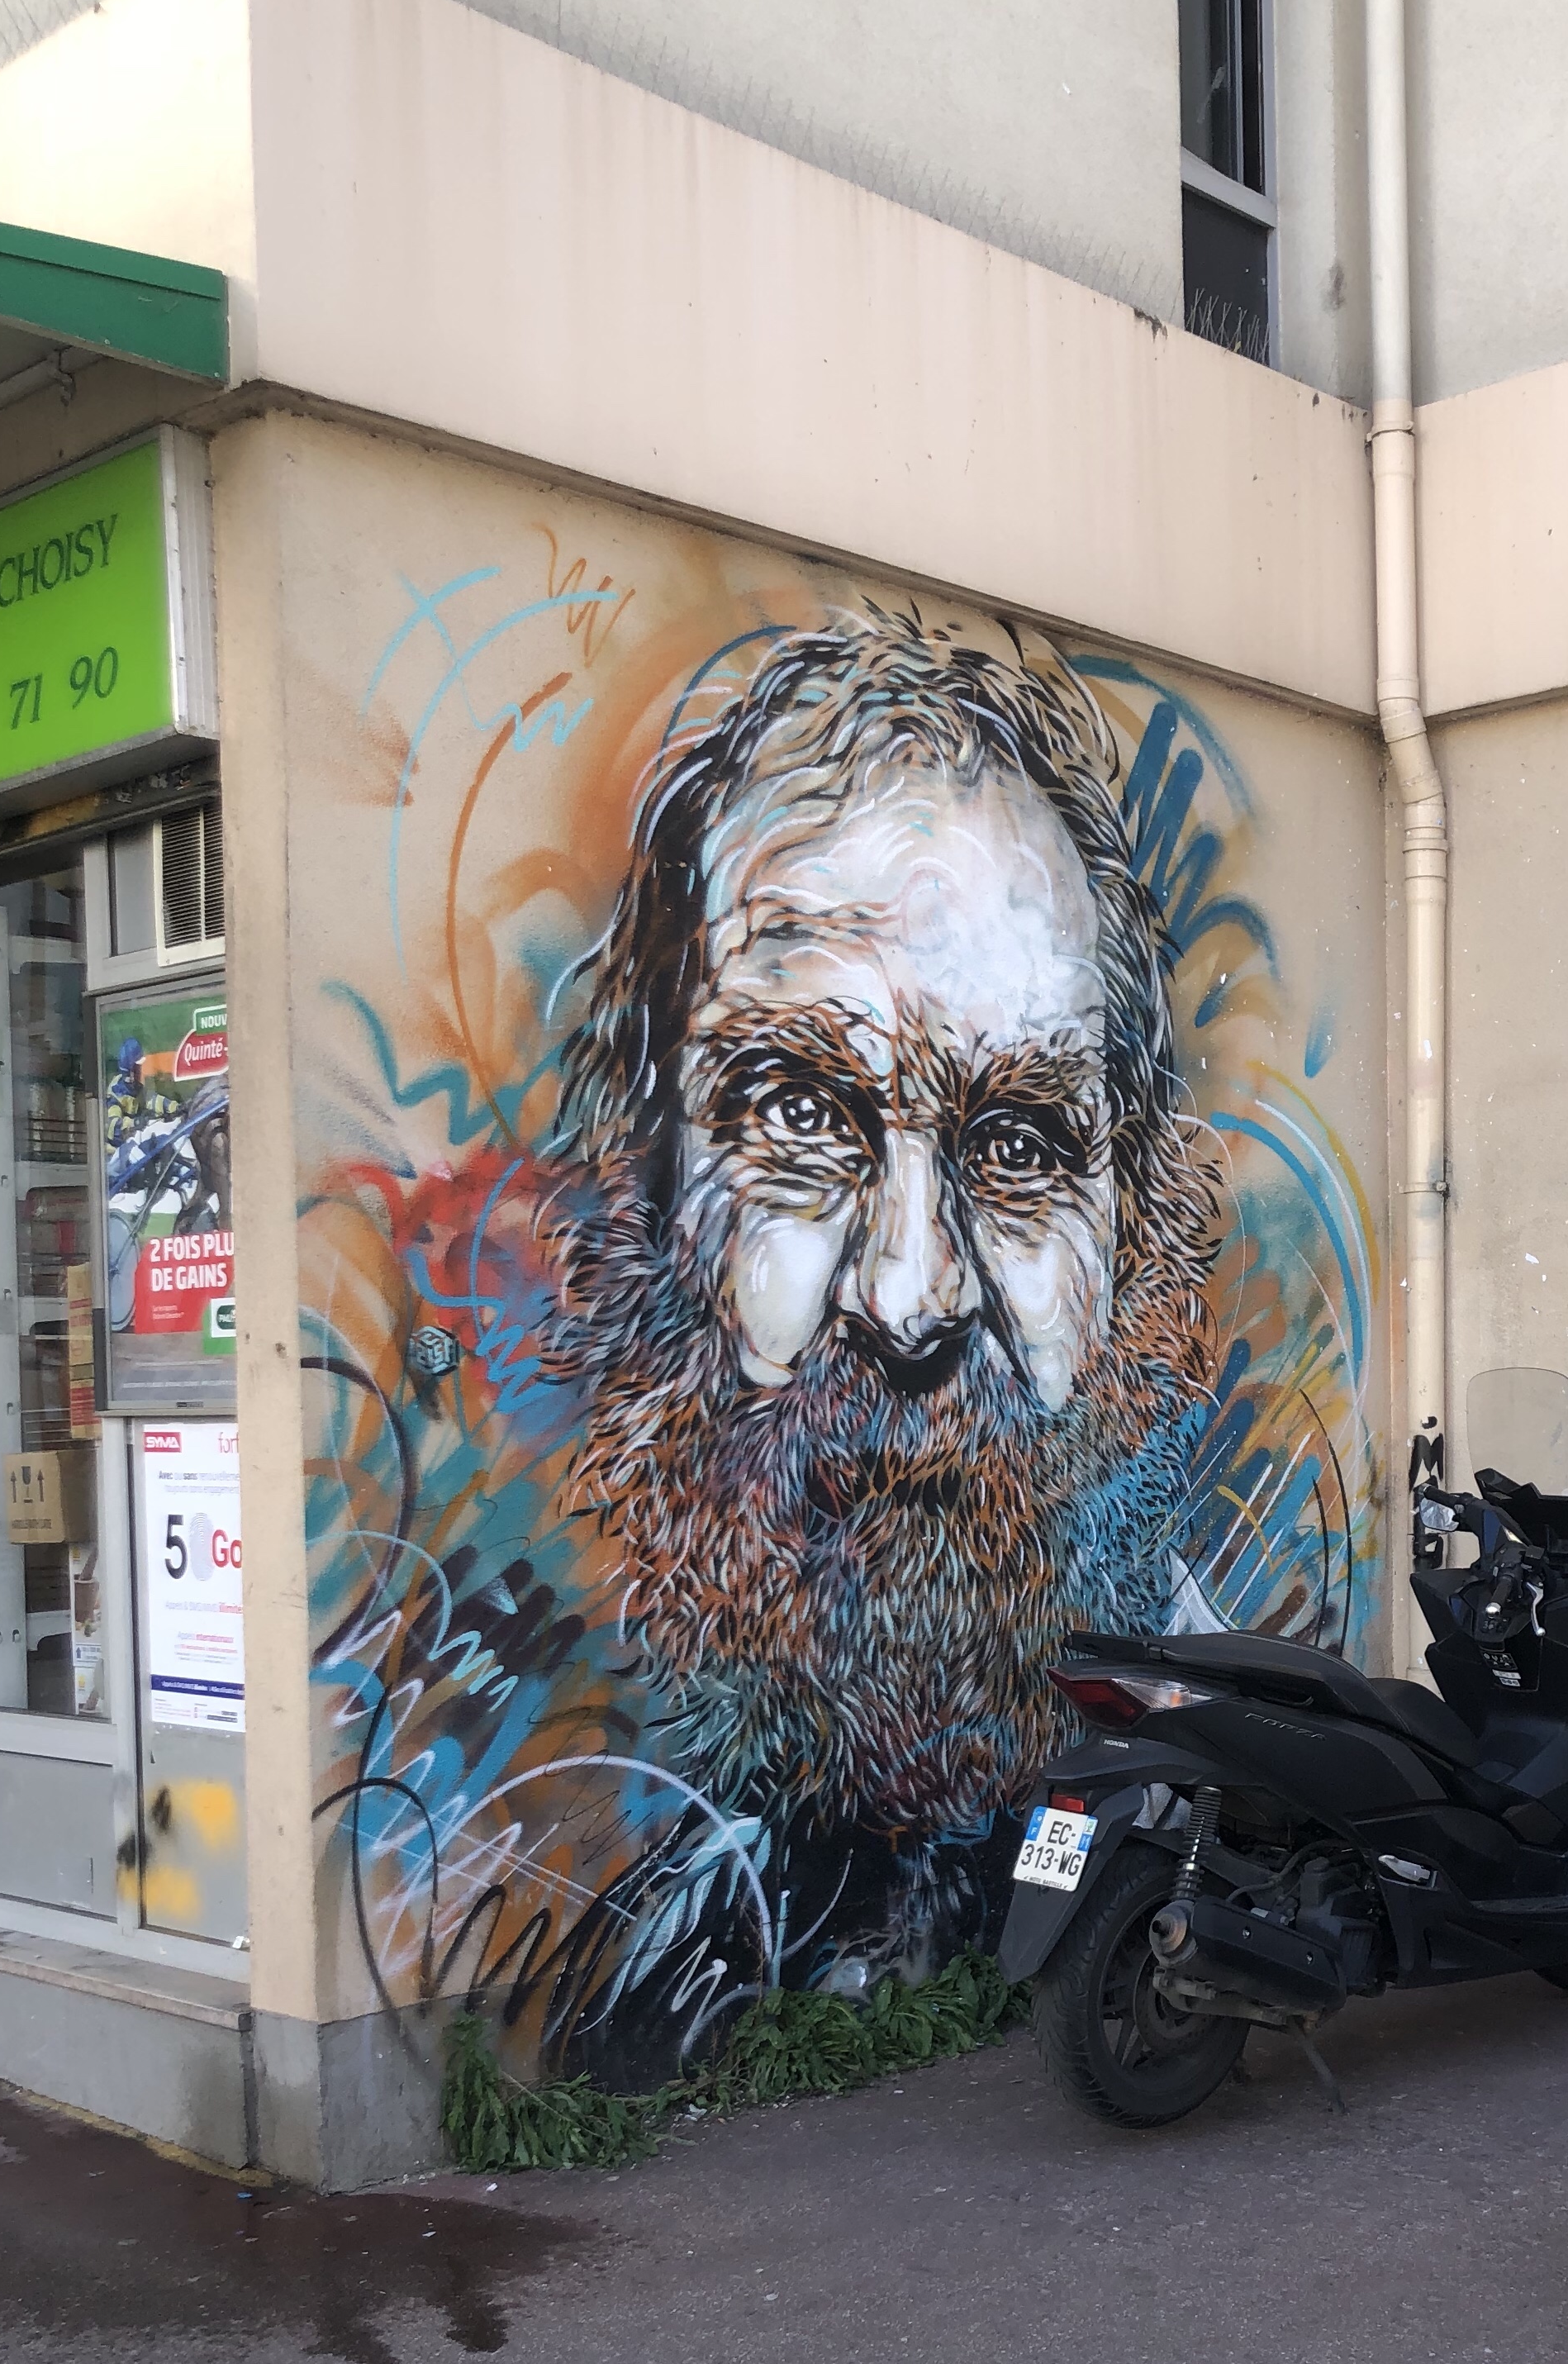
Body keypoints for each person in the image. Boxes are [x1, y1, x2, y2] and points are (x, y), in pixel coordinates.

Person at [520, 609, 1222, 2053]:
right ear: (643, 1192)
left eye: (1020, 1144)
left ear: (1139, 1223)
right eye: (796, 1113)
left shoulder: (1238, 1798)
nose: (909, 1299)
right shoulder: (627, 1949)